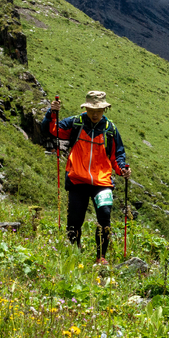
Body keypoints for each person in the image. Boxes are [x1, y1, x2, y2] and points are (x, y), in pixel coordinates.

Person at [42, 90, 130, 265]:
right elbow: (52, 130)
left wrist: (122, 170)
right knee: (74, 219)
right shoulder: (76, 123)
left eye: (98, 110)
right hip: (77, 179)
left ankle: (101, 257)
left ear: (105, 109)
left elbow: (117, 155)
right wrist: (51, 112)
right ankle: (75, 252)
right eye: (91, 109)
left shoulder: (110, 129)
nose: (95, 113)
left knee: (104, 215)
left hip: (102, 181)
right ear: (86, 108)